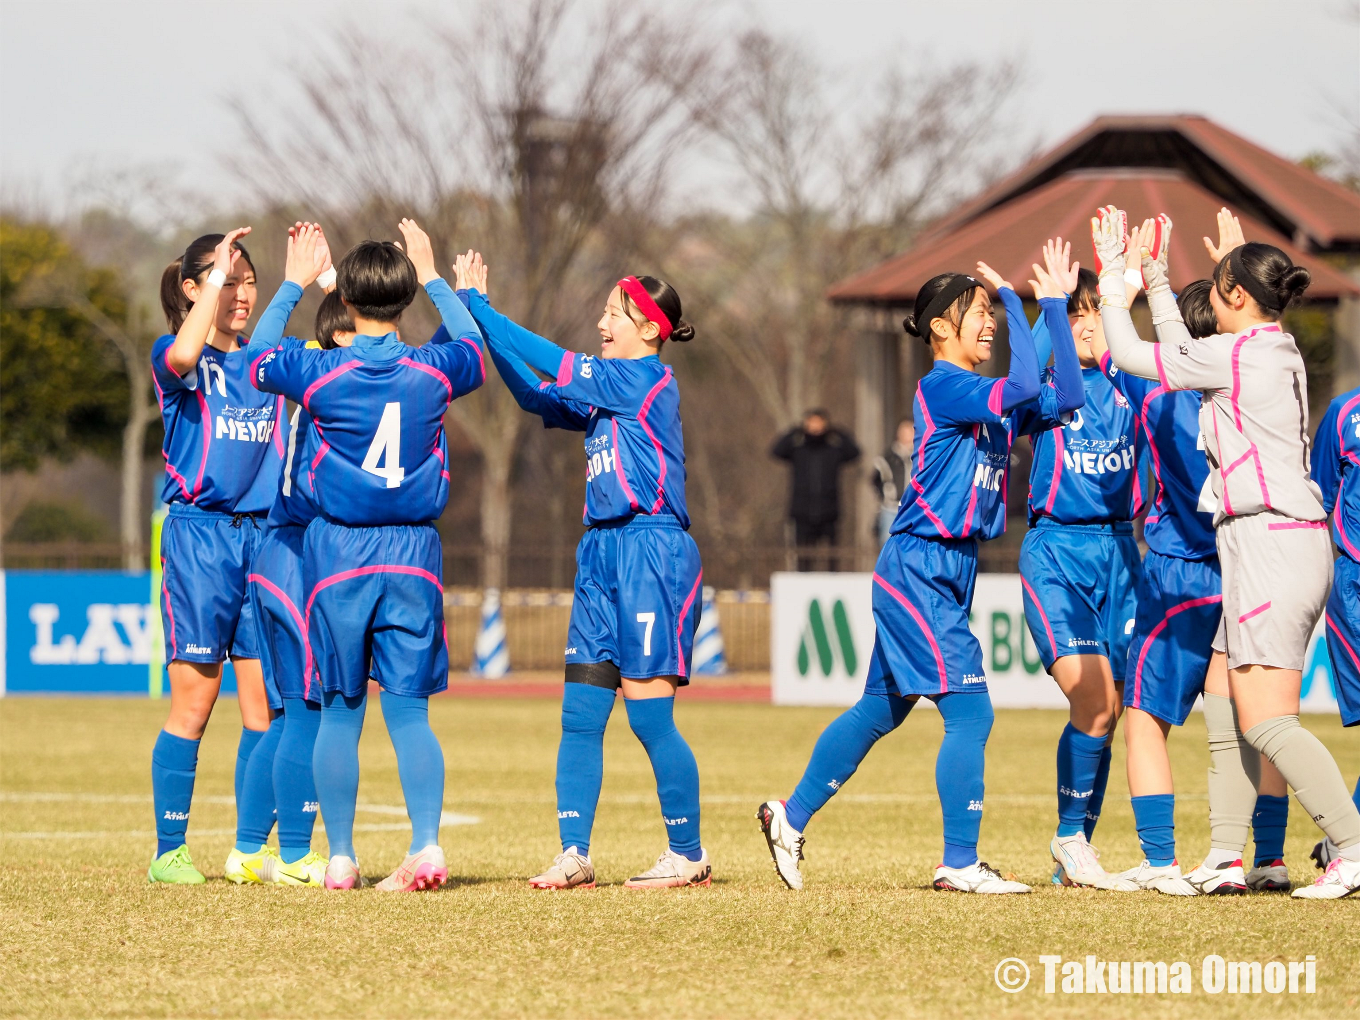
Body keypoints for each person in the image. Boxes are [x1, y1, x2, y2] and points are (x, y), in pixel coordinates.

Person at [757, 253, 1084, 894]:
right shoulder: (945, 386)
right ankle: (958, 863)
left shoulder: (983, 394)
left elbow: (1066, 394)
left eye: (991, 313)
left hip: (946, 567)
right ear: (939, 327)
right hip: (920, 566)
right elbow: (1022, 385)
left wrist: (1051, 307)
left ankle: (788, 817)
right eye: (978, 313)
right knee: (972, 713)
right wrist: (1018, 303)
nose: (989, 324)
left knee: (880, 709)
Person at [1098, 204, 1360, 898]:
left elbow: (1134, 355)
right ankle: (1224, 855)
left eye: (1218, 289)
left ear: (1237, 296)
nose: (1209, 303)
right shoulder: (1269, 346)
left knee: (1267, 720)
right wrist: (1161, 279)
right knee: (1223, 698)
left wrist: (1115, 279)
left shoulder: (1238, 354)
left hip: (1270, 541)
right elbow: (1186, 354)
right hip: (1269, 541)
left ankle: (1353, 844)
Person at [456, 251, 710, 890]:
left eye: (613, 313)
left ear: (649, 329)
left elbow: (551, 359)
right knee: (579, 715)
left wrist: (480, 305)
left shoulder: (641, 379)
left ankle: (688, 854)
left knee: (648, 717)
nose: (601, 323)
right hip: (600, 553)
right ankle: (575, 855)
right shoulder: (604, 397)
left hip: (651, 553)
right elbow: (531, 392)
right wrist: (479, 321)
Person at [248, 220, 485, 892]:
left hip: (340, 554)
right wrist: (436, 276)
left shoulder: (322, 372)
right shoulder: (433, 372)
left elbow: (257, 357)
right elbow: (473, 343)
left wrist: (293, 282)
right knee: (409, 711)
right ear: (405, 299)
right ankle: (427, 846)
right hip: (414, 552)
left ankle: (342, 857)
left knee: (339, 707)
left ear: (345, 300)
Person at [1092, 222, 1290, 896]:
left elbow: (1113, 345)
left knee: (1145, 719)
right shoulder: (1255, 384)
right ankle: (1264, 856)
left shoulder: (1158, 391)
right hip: (1249, 564)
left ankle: (1160, 860)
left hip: (1178, 570)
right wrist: (1235, 262)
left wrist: (1126, 272)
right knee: (1254, 722)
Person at [148, 228, 284, 884]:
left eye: (248, 281)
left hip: (265, 540)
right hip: (200, 540)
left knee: (266, 711)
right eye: (227, 281)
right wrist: (208, 288)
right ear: (192, 290)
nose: (241, 293)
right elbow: (183, 351)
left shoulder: (266, 362)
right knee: (195, 706)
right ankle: (169, 853)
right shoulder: (175, 356)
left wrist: (312, 282)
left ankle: (249, 851)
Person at [1009, 240, 1144, 891]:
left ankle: (1076, 849)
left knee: (1109, 710)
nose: (1089, 325)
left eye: (1097, 312)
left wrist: (1131, 290)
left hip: (1121, 554)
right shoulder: (1052, 394)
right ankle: (1070, 837)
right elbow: (1019, 385)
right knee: (1090, 697)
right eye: (1080, 314)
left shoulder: (1133, 386)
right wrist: (1052, 309)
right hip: (1058, 552)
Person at [234, 227, 350, 887]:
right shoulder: (349, 374)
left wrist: (313, 284)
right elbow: (388, 343)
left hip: (273, 552)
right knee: (308, 709)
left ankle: (249, 851)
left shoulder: (307, 362)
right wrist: (305, 283)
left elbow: (263, 349)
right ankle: (298, 854)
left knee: (283, 715)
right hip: (304, 553)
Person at [1309, 374, 1360, 872]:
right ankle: (1347, 843)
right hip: (1354, 584)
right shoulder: (1345, 413)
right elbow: (1318, 499)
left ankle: (1344, 843)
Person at [772, 410, 861, 569]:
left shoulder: (832, 450)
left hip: (829, 510)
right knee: (803, 554)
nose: (815, 427)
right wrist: (796, 430)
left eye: (819, 423)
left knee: (832, 555)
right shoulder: (798, 450)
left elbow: (854, 452)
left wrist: (835, 431)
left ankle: (833, 578)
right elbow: (777, 450)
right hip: (802, 510)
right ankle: (802, 578)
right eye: (811, 423)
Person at [871, 419, 913, 545]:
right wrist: (887, 494)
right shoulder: (888, 457)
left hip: (914, 508)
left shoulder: (922, 456)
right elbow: (875, 479)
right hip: (891, 509)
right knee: (888, 544)